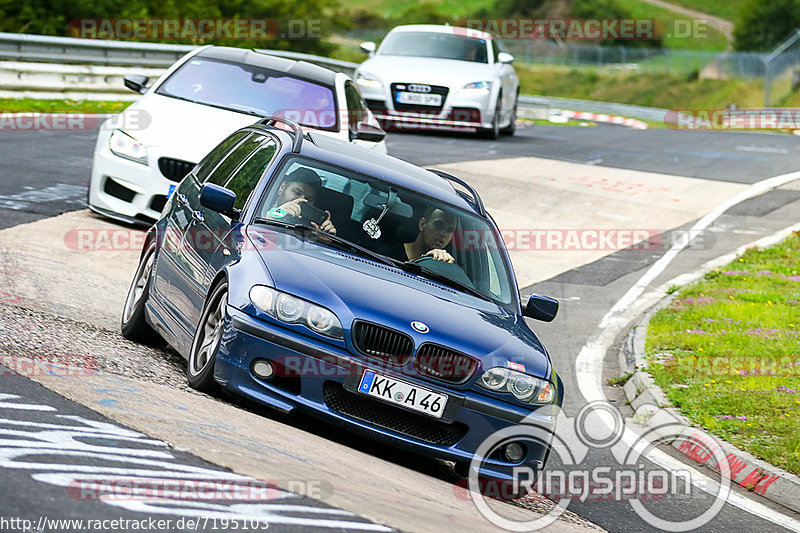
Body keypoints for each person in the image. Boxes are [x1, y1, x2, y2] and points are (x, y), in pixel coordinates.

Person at [269, 168, 337, 234]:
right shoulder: (261, 206)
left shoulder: (311, 226)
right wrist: (272, 216)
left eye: (309, 199)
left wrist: (322, 238)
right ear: (282, 187)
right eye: (297, 192)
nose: (301, 200)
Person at [384, 206, 458, 263]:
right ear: (422, 224)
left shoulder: (443, 265)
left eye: (449, 230)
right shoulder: (388, 253)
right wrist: (424, 259)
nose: (443, 234)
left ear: (452, 237)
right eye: (438, 225)